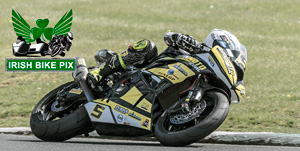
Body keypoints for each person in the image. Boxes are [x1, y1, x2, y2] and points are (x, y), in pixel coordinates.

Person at [73, 29, 246, 86]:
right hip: (147, 71)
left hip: (158, 88)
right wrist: (182, 39)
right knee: (147, 46)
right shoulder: (194, 47)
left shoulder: (207, 79)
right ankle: (99, 72)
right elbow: (168, 36)